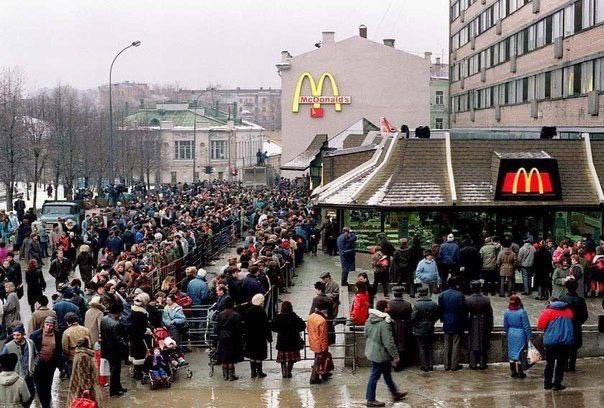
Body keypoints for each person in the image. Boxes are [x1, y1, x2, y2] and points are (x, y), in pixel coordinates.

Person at [364, 300, 407, 407]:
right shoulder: (384, 323)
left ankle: (395, 393)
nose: (390, 308)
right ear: (384, 309)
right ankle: (370, 399)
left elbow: (366, 333)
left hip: (373, 351)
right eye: (388, 306)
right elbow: (389, 342)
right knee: (374, 376)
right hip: (380, 354)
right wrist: (396, 356)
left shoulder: (370, 319)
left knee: (387, 374)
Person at [537, 297, 575, 391]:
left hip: (550, 342)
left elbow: (540, 326)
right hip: (565, 342)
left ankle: (547, 383)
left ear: (551, 302)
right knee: (561, 363)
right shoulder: (569, 311)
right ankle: (557, 384)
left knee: (549, 363)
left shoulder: (548, 311)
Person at [30, 316, 62, 408]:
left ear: (53, 326)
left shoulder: (58, 335)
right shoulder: (35, 335)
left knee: (48, 385)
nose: (48, 327)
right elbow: (32, 351)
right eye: (47, 325)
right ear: (44, 325)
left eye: (51, 325)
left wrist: (59, 364)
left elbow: (59, 350)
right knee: (40, 386)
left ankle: (46, 403)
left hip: (50, 364)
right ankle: (44, 403)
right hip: (38, 365)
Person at [1, 323, 35, 407]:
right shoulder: (8, 346)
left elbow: (36, 355)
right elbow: (2, 359)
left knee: (31, 395)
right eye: (14, 335)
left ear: (23, 334)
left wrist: (34, 366)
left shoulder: (30, 343)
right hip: (16, 377)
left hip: (28, 376)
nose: (15, 337)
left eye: (18, 335)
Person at [438, 277, 467, 371]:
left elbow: (440, 310)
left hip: (446, 322)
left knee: (447, 344)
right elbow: (463, 311)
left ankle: (446, 365)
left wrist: (442, 319)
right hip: (457, 321)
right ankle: (454, 365)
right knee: (456, 344)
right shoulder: (460, 295)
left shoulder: (442, 295)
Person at [271, 301, 306, 378]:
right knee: (291, 359)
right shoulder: (294, 316)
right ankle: (288, 371)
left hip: (282, 341)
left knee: (282, 359)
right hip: (293, 341)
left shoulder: (278, 317)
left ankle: (284, 372)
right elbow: (303, 326)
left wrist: (279, 330)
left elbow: (273, 327)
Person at [560, 279, 588, 372]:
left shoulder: (562, 298)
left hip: (565, 326)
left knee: (564, 347)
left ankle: (564, 366)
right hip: (576, 326)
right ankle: (572, 365)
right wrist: (579, 322)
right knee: (574, 348)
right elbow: (584, 315)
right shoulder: (580, 300)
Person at [465, 280, 494, 370]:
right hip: (483, 321)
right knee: (483, 343)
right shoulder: (486, 299)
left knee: (473, 343)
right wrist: (490, 326)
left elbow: (465, 314)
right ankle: (482, 363)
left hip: (472, 322)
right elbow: (490, 314)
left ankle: (473, 363)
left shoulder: (468, 299)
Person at [411, 287, 440, 372]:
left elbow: (413, 318)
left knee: (422, 347)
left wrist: (416, 325)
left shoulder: (417, 305)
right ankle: (430, 365)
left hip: (420, 329)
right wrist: (432, 322)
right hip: (430, 328)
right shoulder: (433, 304)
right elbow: (438, 315)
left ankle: (424, 366)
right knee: (430, 347)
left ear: (419, 294)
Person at [101, 302, 127, 397]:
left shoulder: (104, 319)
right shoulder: (116, 324)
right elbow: (119, 340)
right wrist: (125, 347)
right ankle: (114, 390)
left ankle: (118, 387)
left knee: (114, 370)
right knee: (115, 370)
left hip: (106, 349)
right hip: (115, 351)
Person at [67, 338, 103, 406]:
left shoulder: (78, 353)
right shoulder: (84, 356)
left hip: (78, 385)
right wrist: (86, 389)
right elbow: (83, 374)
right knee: (85, 404)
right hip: (82, 388)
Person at [503, 295, 532, 379]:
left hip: (511, 333)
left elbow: (505, 325)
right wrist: (530, 337)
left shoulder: (507, 312)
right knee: (520, 353)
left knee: (512, 352)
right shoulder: (522, 312)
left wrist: (508, 333)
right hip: (520, 334)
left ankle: (513, 372)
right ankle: (520, 372)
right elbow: (526, 326)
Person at [215, 297, 243, 381]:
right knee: (231, 357)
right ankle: (231, 376)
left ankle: (225, 375)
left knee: (224, 356)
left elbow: (217, 327)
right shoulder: (236, 315)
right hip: (233, 338)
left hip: (222, 338)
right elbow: (239, 328)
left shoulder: (220, 314)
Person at [244, 294, 272, 378]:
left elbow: (245, 325)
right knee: (259, 355)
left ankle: (253, 372)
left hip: (250, 337)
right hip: (260, 337)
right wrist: (269, 337)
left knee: (252, 355)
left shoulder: (248, 311)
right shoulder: (262, 312)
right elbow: (266, 325)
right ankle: (259, 371)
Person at [387, 286, 412, 370]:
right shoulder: (407, 304)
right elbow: (410, 317)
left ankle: (394, 363)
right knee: (403, 345)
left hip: (392, 325)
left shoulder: (389, 304)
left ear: (394, 294)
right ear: (402, 294)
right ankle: (402, 364)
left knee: (393, 344)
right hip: (403, 326)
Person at [307, 299, 332, 384]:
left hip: (313, 342)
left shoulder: (311, 316)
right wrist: (325, 348)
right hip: (320, 345)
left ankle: (318, 376)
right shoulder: (322, 321)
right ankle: (314, 378)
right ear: (324, 309)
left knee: (317, 360)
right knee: (318, 362)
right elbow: (323, 337)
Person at [62, 312, 92, 377]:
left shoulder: (66, 332)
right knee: (85, 376)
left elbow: (65, 348)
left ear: (67, 322)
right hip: (85, 356)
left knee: (74, 378)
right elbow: (90, 344)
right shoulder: (86, 330)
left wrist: (66, 357)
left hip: (73, 358)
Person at [129, 292, 150, 380]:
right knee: (140, 355)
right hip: (140, 337)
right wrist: (147, 331)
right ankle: (139, 374)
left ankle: (136, 372)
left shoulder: (133, 310)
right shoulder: (142, 313)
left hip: (133, 336)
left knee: (135, 354)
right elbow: (142, 326)